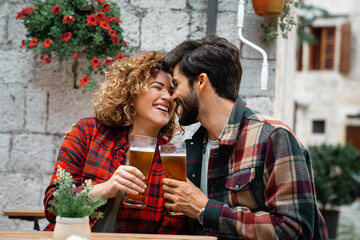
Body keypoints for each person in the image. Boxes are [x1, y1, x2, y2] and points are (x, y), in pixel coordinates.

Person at [161, 34, 329, 240]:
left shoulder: (273, 137)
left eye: (176, 85)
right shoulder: (193, 148)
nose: (172, 97)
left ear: (201, 81)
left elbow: (295, 231)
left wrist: (206, 209)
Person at [43, 51, 189, 233]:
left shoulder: (171, 158)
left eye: (171, 91)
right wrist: (105, 189)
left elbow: (171, 229)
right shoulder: (88, 132)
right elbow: (53, 204)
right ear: (132, 92)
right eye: (157, 87)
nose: (168, 97)